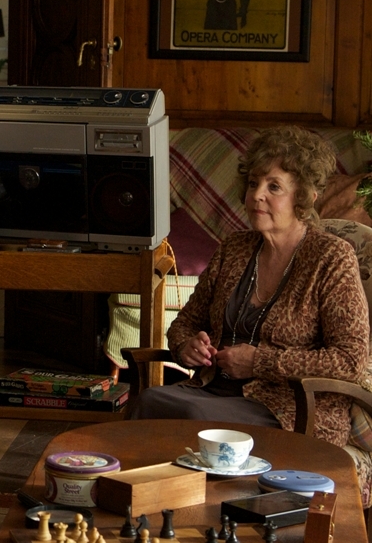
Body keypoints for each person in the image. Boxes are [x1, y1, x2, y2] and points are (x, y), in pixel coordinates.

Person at [128, 127, 370, 448]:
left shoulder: (330, 257)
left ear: (304, 197)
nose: (257, 194)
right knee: (149, 400)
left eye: (274, 186)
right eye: (253, 183)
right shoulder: (233, 248)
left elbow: (350, 360)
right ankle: (141, 494)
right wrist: (187, 346)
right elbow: (185, 324)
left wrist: (259, 362)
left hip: (288, 409)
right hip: (213, 390)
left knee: (192, 415)